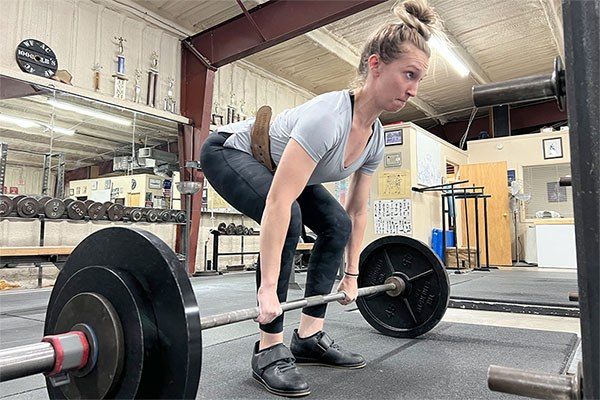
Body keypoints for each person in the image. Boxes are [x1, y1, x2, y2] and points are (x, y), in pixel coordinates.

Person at [200, 0, 442, 396]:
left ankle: (309, 336)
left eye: (419, 80)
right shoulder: (328, 117)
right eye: (409, 75)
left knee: (336, 224)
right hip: (231, 150)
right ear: (376, 65)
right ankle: (269, 348)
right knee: (291, 216)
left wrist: (352, 274)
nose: (414, 90)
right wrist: (267, 292)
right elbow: (278, 204)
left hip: (277, 166)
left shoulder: (376, 137)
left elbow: (356, 211)